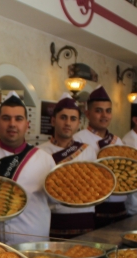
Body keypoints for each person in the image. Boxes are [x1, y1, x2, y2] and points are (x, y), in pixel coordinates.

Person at [0, 93, 55, 244]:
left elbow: (54, 201)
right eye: (6, 118)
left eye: (18, 119)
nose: (12, 124)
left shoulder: (45, 160)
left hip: (34, 245)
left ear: (27, 125)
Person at [39, 94, 97, 238]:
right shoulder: (39, 152)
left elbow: (94, 185)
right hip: (54, 218)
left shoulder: (87, 150)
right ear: (53, 121)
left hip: (86, 218)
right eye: (63, 117)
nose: (68, 123)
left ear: (79, 124)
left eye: (73, 119)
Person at [72, 85, 127, 228]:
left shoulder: (118, 141)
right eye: (98, 111)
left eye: (108, 111)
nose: (104, 116)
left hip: (119, 206)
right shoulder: (77, 140)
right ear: (88, 114)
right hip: (93, 207)